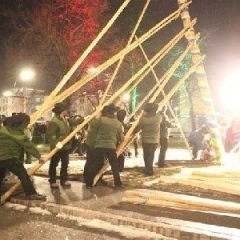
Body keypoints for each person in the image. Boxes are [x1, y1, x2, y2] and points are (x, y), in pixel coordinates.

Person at [0, 113, 46, 201]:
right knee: (23, 175)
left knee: (1, 173)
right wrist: (39, 157)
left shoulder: (3, 129)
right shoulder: (20, 135)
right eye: (26, 124)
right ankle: (31, 194)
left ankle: (1, 188)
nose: (26, 126)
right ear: (22, 124)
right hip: (11, 158)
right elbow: (29, 147)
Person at [86, 104, 124, 189]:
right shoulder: (117, 123)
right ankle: (118, 184)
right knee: (114, 166)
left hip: (99, 145)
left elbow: (93, 127)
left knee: (94, 164)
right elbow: (121, 137)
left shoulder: (100, 120)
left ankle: (89, 183)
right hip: (111, 146)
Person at [46, 102, 83, 189]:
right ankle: (52, 180)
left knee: (65, 163)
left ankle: (64, 180)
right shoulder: (54, 121)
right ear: (62, 111)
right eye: (65, 109)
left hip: (66, 146)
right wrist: (56, 144)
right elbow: (50, 135)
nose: (67, 111)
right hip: (57, 147)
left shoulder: (65, 119)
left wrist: (84, 119)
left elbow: (74, 122)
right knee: (54, 164)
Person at [134, 103, 162, 176]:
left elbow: (138, 128)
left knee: (146, 155)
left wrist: (133, 132)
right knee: (151, 155)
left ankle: (147, 168)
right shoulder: (158, 118)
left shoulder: (143, 119)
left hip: (145, 139)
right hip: (154, 140)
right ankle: (149, 170)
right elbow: (160, 114)